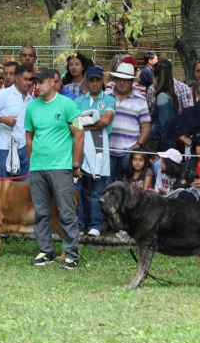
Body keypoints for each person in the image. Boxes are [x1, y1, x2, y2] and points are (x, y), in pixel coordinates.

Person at [25, 68, 84, 270]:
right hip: (38, 167)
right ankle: (46, 251)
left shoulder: (68, 105)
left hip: (61, 167)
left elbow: (79, 135)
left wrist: (75, 164)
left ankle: (72, 255)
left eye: (41, 82)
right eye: (35, 82)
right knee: (41, 212)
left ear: (52, 82)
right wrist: (32, 161)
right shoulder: (32, 108)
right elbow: (29, 137)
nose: (37, 85)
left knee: (66, 212)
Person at [73, 66, 115, 237]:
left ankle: (96, 225)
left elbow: (105, 120)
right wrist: (90, 120)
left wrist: (85, 123)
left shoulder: (109, 100)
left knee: (97, 190)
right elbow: (74, 123)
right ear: (86, 81)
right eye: (91, 80)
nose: (95, 83)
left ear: (102, 80)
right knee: (79, 189)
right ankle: (79, 224)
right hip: (81, 148)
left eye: (98, 80)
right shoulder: (78, 101)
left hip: (99, 149)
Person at [0, 64, 34, 179]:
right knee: (5, 189)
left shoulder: (31, 100)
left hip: (25, 148)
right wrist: (3, 120)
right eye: (25, 79)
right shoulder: (3, 94)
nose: (29, 82)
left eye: (31, 79)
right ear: (16, 78)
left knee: (26, 189)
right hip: (4, 149)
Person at [107, 61, 151, 183]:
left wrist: (138, 145)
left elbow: (146, 126)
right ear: (114, 79)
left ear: (132, 81)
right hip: (107, 149)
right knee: (106, 186)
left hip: (129, 151)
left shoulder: (140, 100)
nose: (122, 82)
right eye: (119, 78)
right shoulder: (105, 97)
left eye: (125, 79)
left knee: (130, 187)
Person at [149, 59, 181, 151]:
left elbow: (163, 124)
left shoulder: (162, 96)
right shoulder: (170, 95)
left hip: (162, 144)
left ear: (156, 78)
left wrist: (153, 138)